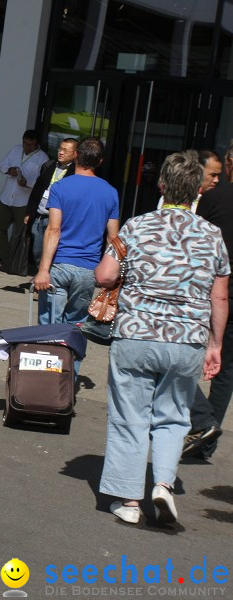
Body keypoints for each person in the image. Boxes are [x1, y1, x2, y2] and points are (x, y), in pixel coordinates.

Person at [97, 150, 229, 525]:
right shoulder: (212, 235)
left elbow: (106, 276)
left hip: (136, 335)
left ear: (162, 185)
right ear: (197, 191)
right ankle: (164, 485)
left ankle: (129, 501)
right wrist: (215, 345)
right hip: (187, 337)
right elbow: (219, 295)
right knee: (173, 418)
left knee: (130, 417)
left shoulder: (137, 227)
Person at [33, 137, 119, 336]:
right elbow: (113, 238)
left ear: (77, 156)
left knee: (48, 328)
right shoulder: (110, 192)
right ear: (100, 162)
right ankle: (72, 367)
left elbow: (53, 230)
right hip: (87, 269)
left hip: (60, 264)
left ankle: (47, 365)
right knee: (76, 328)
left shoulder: (60, 187)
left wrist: (43, 270)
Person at [185, 164, 233, 459]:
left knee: (186, 358)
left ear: (229, 165)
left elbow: (195, 239)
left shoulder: (214, 198)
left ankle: (202, 425)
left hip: (213, 291)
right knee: (226, 371)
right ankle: (207, 440)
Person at [0, 129, 48, 270]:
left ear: (37, 144)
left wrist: (27, 183)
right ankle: (3, 258)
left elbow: (42, 183)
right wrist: (8, 170)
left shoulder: (43, 158)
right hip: (7, 197)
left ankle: (15, 263)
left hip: (24, 200)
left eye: (30, 145)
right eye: (25, 143)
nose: (27, 147)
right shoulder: (16, 149)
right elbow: (2, 165)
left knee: (20, 233)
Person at [25, 138, 78, 265]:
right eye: (60, 149)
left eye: (65, 150)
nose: (61, 152)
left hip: (56, 219)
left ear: (75, 153)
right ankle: (42, 276)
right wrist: (29, 212)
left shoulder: (75, 172)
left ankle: (47, 280)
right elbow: (36, 191)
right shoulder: (49, 166)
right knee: (37, 252)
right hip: (39, 216)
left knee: (52, 253)